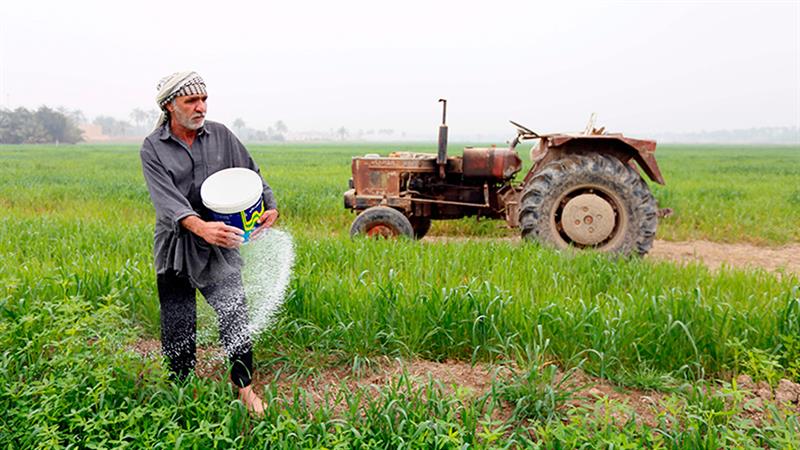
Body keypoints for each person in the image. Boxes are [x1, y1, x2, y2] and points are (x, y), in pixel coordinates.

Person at [139, 71, 278, 415]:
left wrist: (270, 207)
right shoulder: (153, 148)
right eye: (191, 101)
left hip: (220, 242)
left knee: (235, 315)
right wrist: (201, 228)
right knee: (178, 322)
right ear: (170, 106)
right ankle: (182, 390)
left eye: (203, 99)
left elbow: (251, 174)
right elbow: (167, 201)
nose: (200, 107)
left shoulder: (221, 136)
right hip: (176, 244)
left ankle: (243, 387)